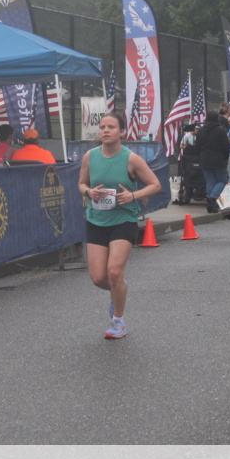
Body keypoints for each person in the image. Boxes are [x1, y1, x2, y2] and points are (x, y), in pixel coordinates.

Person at [78, 113, 161, 339]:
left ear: (121, 132)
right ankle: (119, 289)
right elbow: (81, 183)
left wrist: (133, 195)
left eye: (111, 127)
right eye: (102, 127)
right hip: (96, 220)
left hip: (124, 220)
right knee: (98, 278)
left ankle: (118, 321)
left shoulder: (131, 159)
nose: (105, 130)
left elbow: (155, 185)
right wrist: (89, 192)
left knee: (114, 271)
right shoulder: (90, 156)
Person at [194, 110, 230, 213]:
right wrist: (226, 157)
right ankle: (213, 197)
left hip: (205, 160)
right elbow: (226, 146)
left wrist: (200, 157)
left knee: (210, 181)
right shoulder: (221, 130)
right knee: (222, 181)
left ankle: (211, 205)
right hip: (219, 160)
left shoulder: (201, 131)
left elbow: (197, 147)